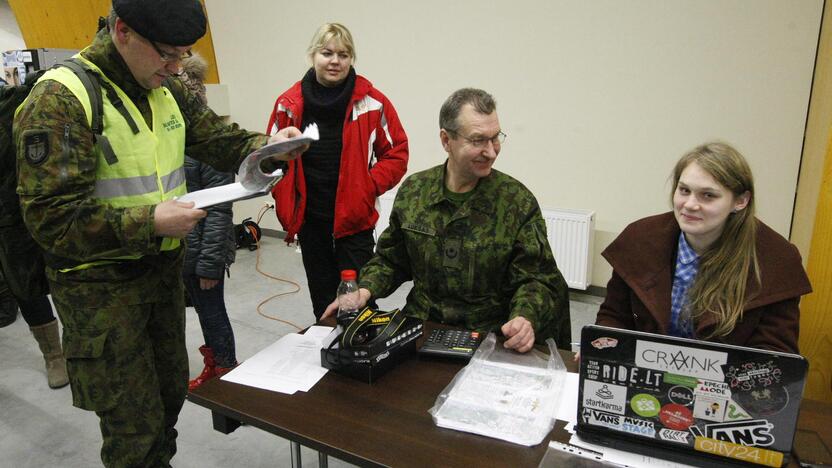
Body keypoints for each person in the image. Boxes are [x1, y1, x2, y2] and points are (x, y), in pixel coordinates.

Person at [13, 1, 305, 466]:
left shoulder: (164, 85)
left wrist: (267, 148)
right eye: (168, 54)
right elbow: (51, 220)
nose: (176, 67)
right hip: (101, 294)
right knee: (134, 431)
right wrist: (150, 222)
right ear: (123, 31)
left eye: (184, 55)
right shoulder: (61, 99)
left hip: (161, 277)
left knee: (168, 402)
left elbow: (216, 137)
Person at [323, 88, 571, 353]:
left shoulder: (515, 201)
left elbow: (537, 278)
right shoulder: (415, 192)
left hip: (490, 335)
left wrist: (524, 318)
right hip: (423, 325)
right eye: (478, 140)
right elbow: (391, 259)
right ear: (446, 140)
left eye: (495, 138)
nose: (491, 151)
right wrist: (366, 290)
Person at [595, 142, 811, 353]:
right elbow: (614, 316)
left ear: (741, 201)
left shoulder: (776, 258)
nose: (689, 204)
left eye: (708, 195)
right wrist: (602, 347)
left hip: (725, 384)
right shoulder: (641, 238)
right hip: (643, 374)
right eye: (684, 190)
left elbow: (774, 353)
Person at [266, 23, 408, 320]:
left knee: (359, 301)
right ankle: (332, 356)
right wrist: (284, 198)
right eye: (327, 53)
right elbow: (270, 158)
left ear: (351, 59)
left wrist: (366, 186)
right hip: (310, 221)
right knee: (322, 298)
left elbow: (396, 153)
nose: (335, 61)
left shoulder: (373, 103)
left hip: (354, 220)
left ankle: (360, 355)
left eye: (343, 54)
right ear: (312, 56)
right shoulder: (288, 105)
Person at [178, 53, 238, 390]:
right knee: (202, 312)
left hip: (205, 252)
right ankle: (214, 366)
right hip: (183, 247)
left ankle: (226, 371)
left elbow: (218, 206)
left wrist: (210, 264)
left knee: (212, 313)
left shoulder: (208, 138)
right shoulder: (172, 133)